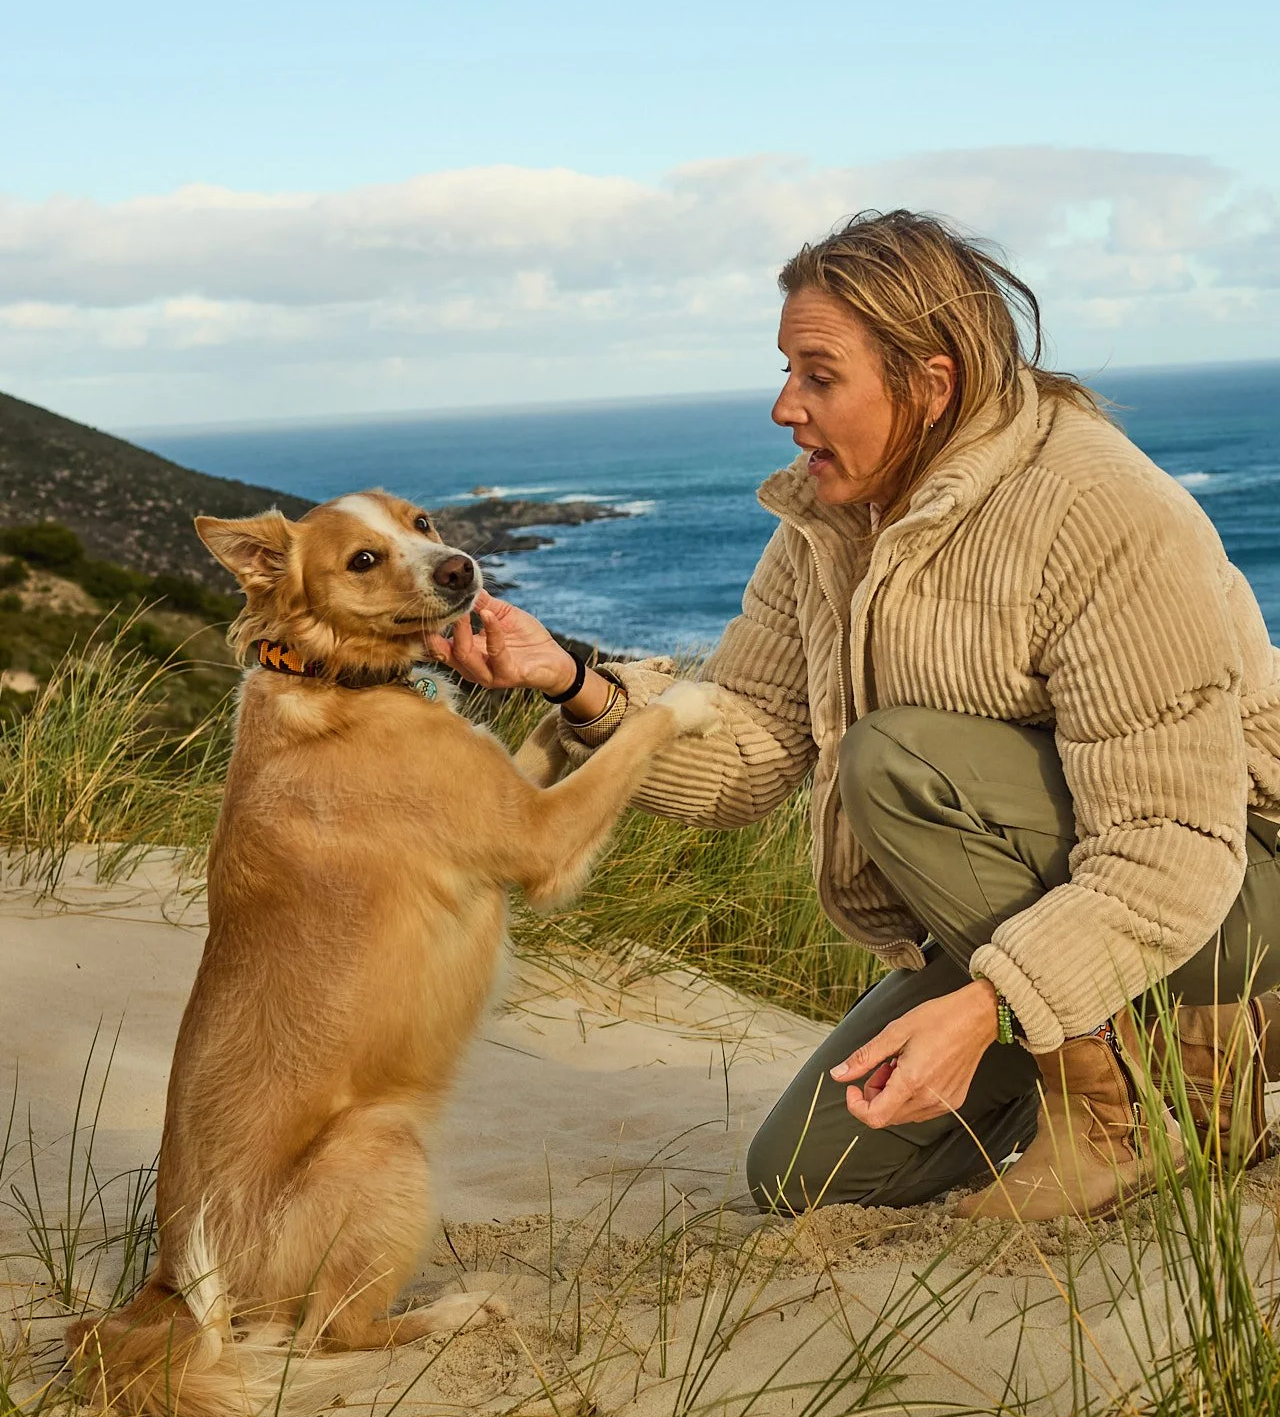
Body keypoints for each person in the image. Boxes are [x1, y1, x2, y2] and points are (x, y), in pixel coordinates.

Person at [428, 210, 1280, 1220]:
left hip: (1233, 888)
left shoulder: (1100, 512)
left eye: (817, 373)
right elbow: (747, 756)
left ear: (930, 383)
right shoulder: (829, 520)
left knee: (894, 759)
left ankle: (1113, 1119)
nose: (784, 406)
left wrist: (992, 1007)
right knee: (810, 1177)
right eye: (785, 369)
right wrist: (572, 684)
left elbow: (1170, 844)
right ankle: (1205, 1075)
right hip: (1058, 916)